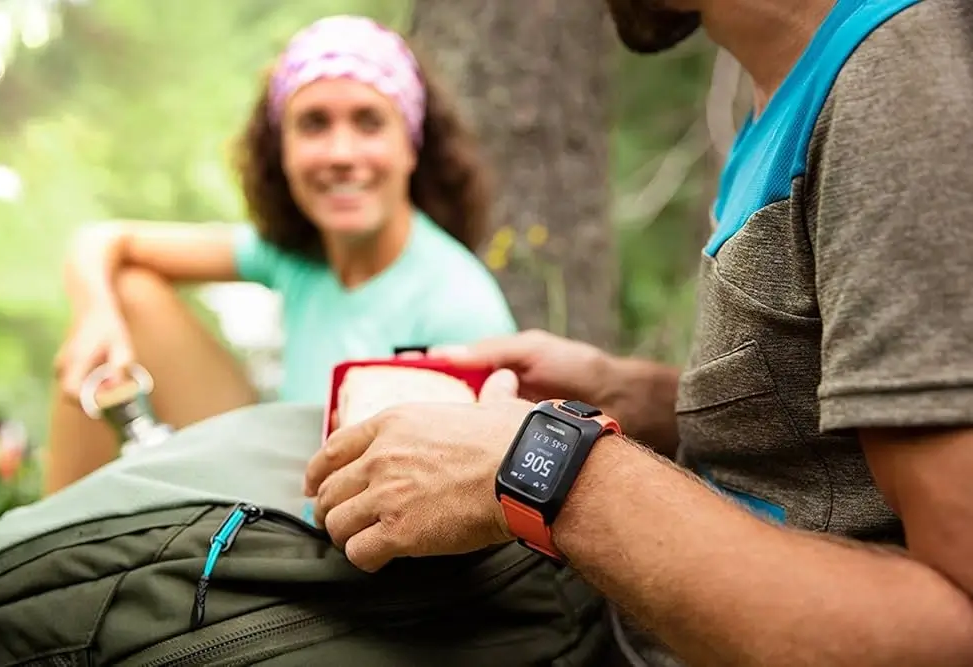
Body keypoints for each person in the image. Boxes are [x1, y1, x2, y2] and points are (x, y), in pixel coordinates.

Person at [304, 1, 973, 665]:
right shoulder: (782, 87)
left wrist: (549, 464)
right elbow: (815, 458)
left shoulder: (901, 90)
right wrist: (635, 399)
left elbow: (955, 626)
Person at [45, 15, 516, 494]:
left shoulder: (457, 303)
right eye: (314, 124)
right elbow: (102, 241)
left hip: (349, 532)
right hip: (277, 475)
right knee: (129, 293)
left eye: (368, 122)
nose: (340, 153)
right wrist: (95, 318)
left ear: (410, 146)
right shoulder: (296, 255)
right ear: (282, 150)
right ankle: (48, 549)